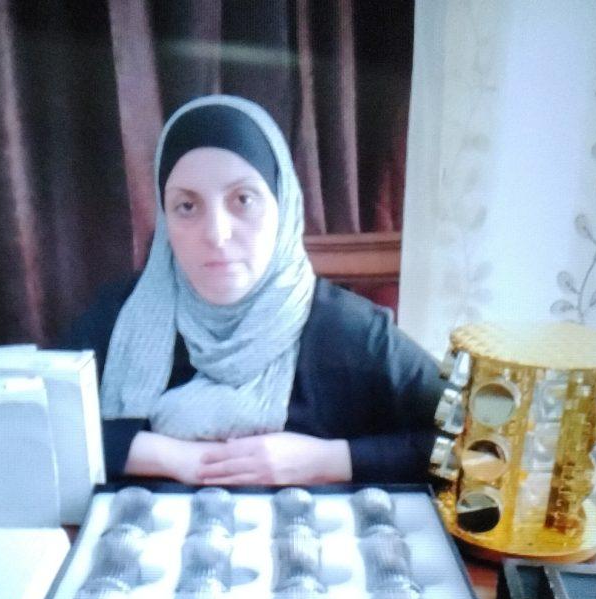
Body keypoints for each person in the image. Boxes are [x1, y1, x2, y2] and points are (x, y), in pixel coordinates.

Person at [60, 95, 444, 485]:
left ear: (283, 206)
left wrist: (330, 461)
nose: (216, 234)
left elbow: (470, 444)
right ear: (164, 217)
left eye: (243, 199)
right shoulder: (118, 318)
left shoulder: (350, 332)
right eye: (187, 206)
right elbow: (38, 428)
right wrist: (163, 455)